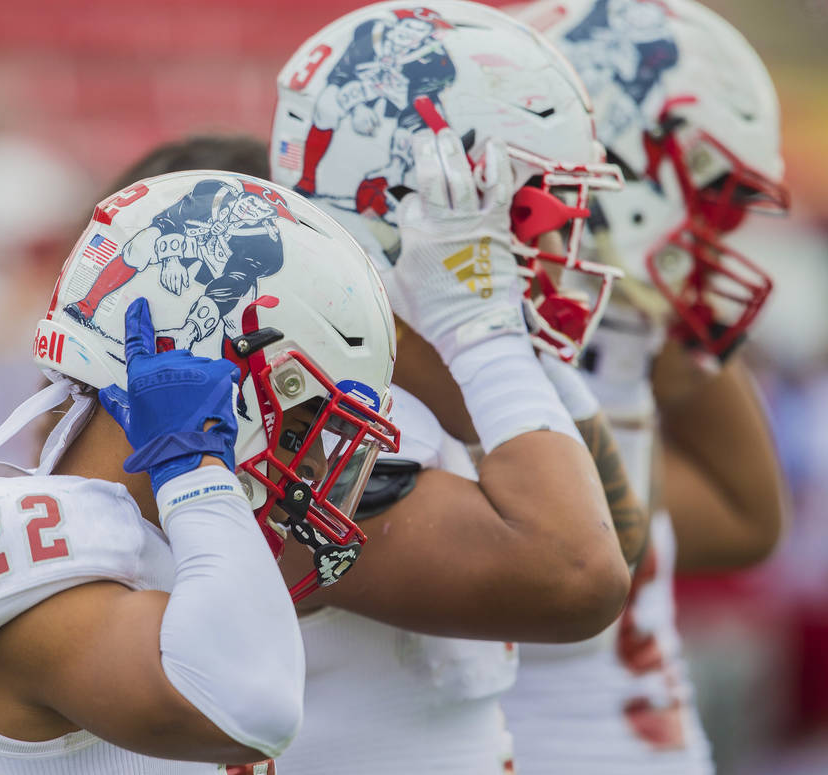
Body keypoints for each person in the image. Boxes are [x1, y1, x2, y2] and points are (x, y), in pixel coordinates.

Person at [0, 170, 400, 773]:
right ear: (213, 375)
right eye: (302, 420)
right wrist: (196, 470)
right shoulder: (4, 528)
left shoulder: (174, 545)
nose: (311, 461)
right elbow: (249, 708)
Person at [270, 3, 640, 772]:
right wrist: (481, 328)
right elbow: (581, 577)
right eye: (531, 213)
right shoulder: (306, 405)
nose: (557, 249)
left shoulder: (442, 395)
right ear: (409, 209)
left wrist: (516, 353)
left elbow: (623, 541)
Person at [496, 1, 792, 772]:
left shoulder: (620, 337)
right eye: (704, 200)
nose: (717, 238)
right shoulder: (482, 353)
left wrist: (659, 324)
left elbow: (745, 519)